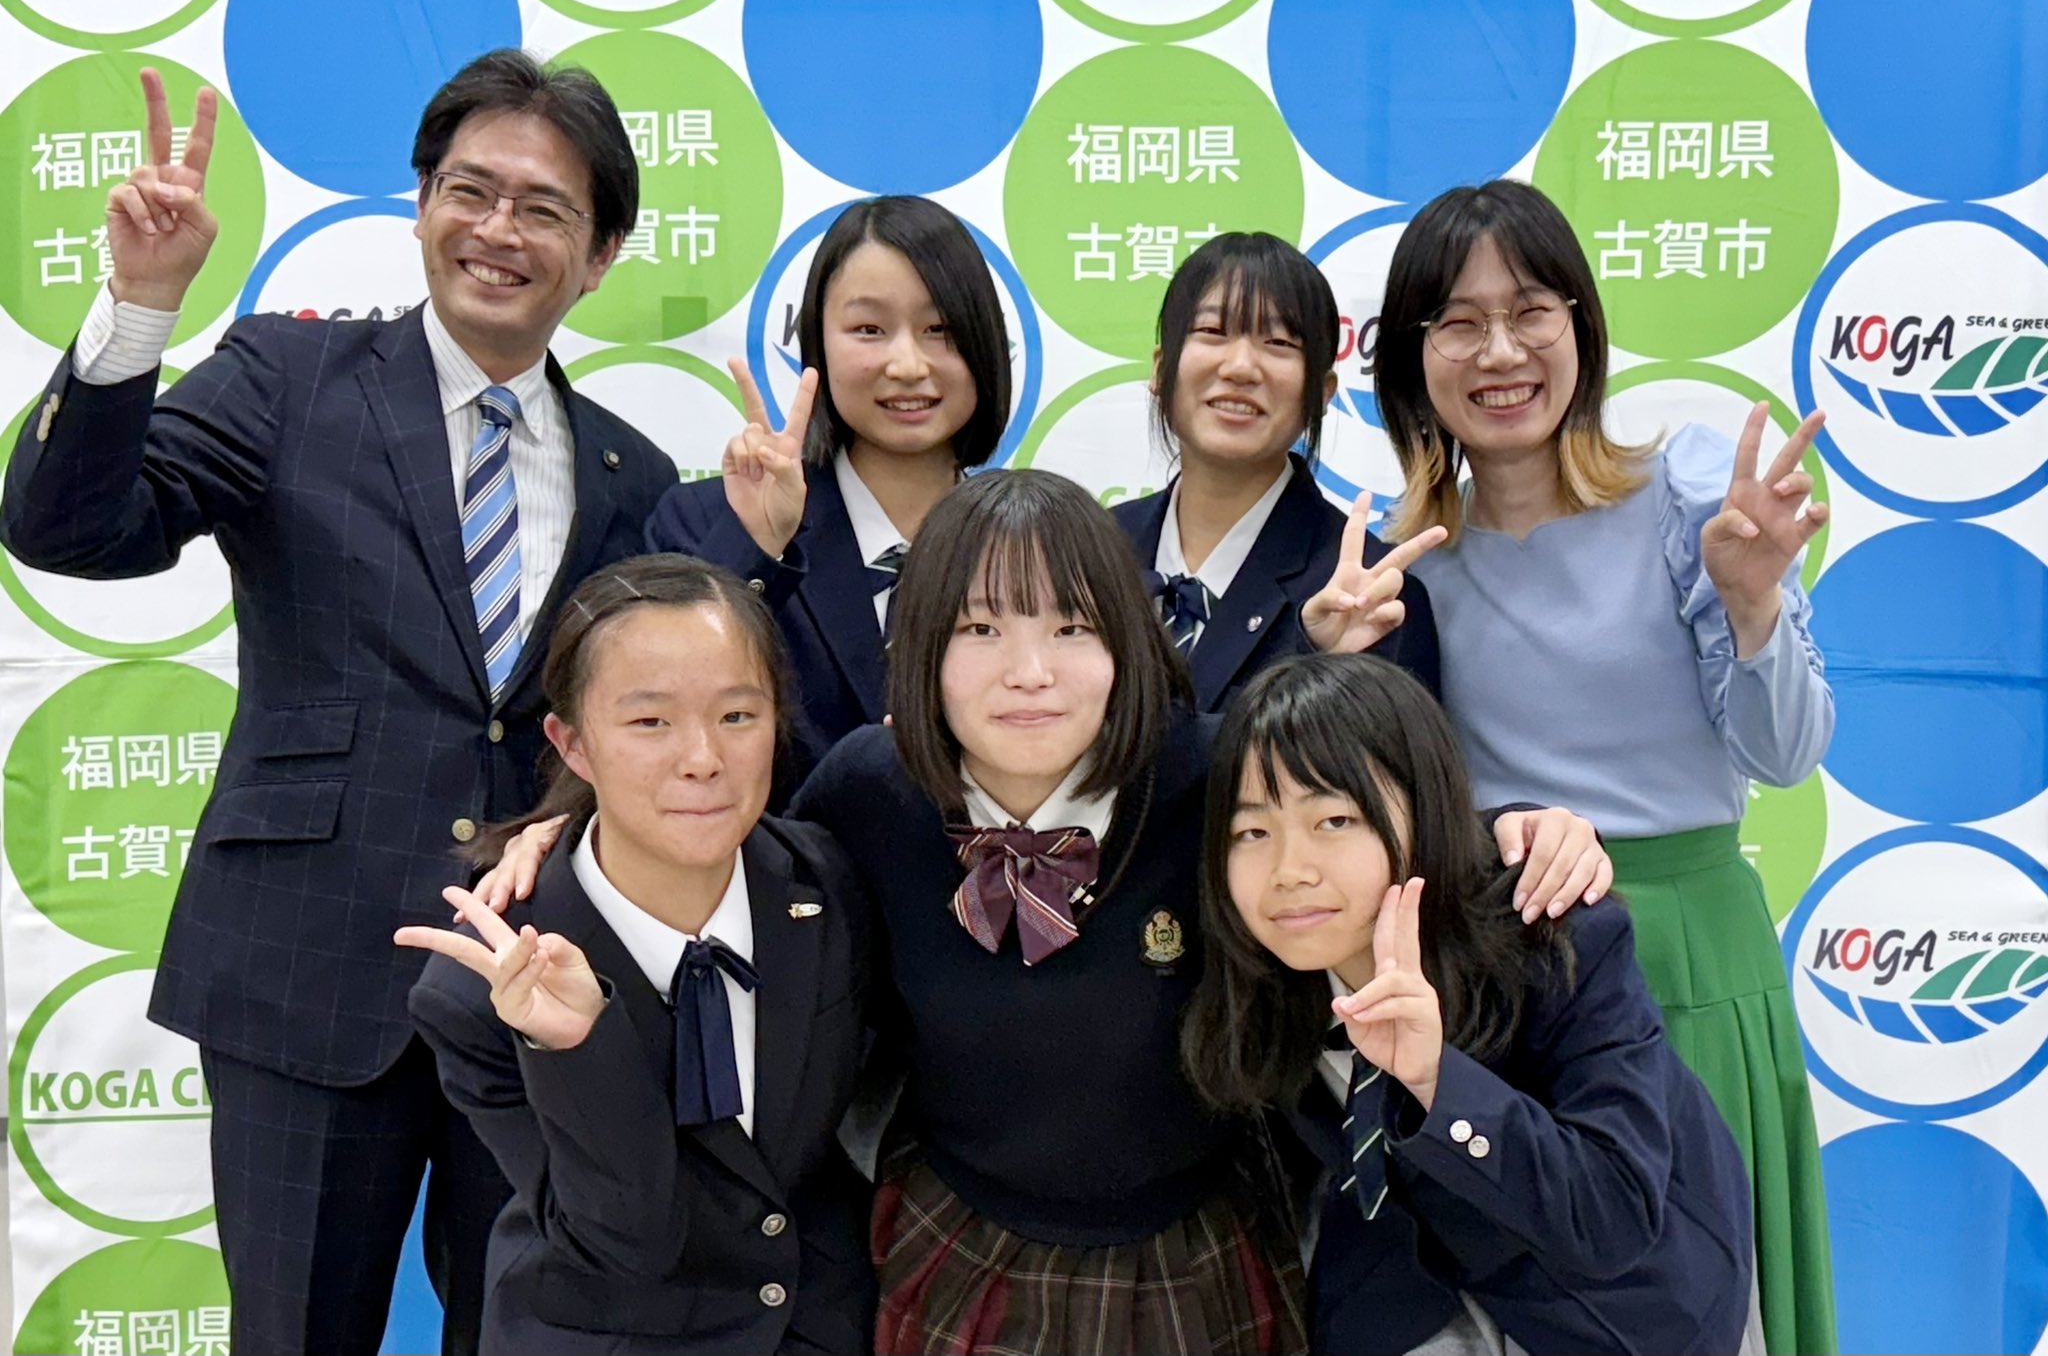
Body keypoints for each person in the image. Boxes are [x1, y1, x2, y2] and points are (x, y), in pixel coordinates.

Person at [478, 470, 1607, 1356]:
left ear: (1126, 642)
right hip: (957, 1232)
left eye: (1071, 628)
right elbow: (721, 852)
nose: (1029, 671)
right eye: (978, 631)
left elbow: (1362, 823)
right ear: (919, 649)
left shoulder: (1212, 776)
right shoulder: (872, 790)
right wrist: (564, 835)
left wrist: (1523, 828)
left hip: (1202, 1232)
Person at [0, 51, 677, 1354]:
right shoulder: (286, 381)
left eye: (543, 208)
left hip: (524, 992)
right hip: (304, 972)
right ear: (421, 204)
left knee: (522, 1332)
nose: (497, 229)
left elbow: (624, 724)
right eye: (468, 190)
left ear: (597, 256)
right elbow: (67, 526)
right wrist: (139, 308)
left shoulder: (630, 474)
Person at [1375, 178, 1834, 1354]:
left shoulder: (1684, 494)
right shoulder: (1401, 557)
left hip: (1691, 946)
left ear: (1579, 322)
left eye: (1528, 309)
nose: (1499, 350)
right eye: (1456, 322)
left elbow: (1784, 754)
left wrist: (1751, 603)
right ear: (1411, 356)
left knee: (1704, 1298)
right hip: (1519, 965)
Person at [1185, 653, 1759, 1356]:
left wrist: (1436, 1081)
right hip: (1411, 1282)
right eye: (1252, 832)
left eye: (1334, 820)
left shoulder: (1553, 935)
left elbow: (1610, 1216)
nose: (1290, 872)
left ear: (1424, 814)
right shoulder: (1268, 971)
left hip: (1620, 1308)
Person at [399, 555, 873, 1354]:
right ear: (572, 742)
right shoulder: (479, 987)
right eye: (649, 722)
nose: (702, 758)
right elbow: (622, 1243)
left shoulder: (830, 884)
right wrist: (579, 1049)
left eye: (738, 716)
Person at [644, 195, 1011, 779]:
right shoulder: (703, 521)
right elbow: (654, 706)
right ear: (817, 343)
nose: (907, 363)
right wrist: (757, 547)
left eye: (940, 329)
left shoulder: (1031, 544)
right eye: (869, 329)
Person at [1113, 231, 1439, 711]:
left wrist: (1314, 658)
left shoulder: (1372, 598)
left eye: (1279, 341)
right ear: (1161, 371)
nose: (1241, 367)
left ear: (1322, 393)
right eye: (1212, 332)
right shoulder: (1090, 552)